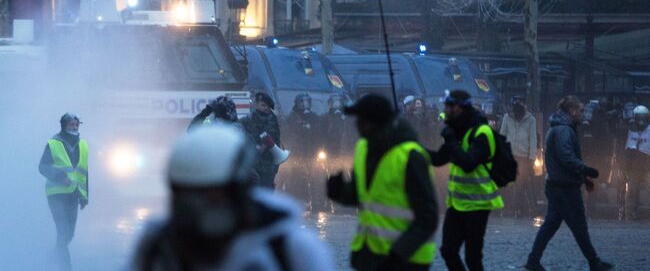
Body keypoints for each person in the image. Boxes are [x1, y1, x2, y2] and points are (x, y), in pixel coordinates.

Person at [131, 126, 333, 271]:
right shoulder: (157, 245)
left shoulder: (290, 249)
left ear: (237, 191)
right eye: (185, 195)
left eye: (211, 195)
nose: (196, 206)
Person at [327, 94, 438, 271]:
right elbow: (362, 196)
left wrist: (398, 255)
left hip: (406, 260)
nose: (357, 125)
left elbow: (428, 218)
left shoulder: (410, 156)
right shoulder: (363, 147)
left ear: (374, 122)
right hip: (371, 255)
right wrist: (339, 192)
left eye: (362, 120)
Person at [524, 96, 614, 271]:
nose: (582, 114)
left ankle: (533, 260)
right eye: (580, 111)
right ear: (572, 111)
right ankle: (594, 262)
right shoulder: (564, 131)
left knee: (551, 225)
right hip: (564, 188)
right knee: (578, 226)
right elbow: (567, 158)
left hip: (559, 185)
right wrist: (585, 170)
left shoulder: (560, 129)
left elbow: (563, 160)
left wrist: (583, 178)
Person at [428, 90, 503, 271]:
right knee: (448, 251)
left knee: (472, 258)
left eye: (448, 106)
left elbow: (468, 163)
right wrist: (412, 147)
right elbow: (439, 159)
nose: (445, 110)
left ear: (460, 108)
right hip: (457, 204)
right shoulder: (457, 131)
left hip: (478, 204)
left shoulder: (482, 132)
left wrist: (451, 141)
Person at [39, 113, 89, 271]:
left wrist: (84, 196)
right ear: (63, 126)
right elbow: (43, 167)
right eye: (71, 125)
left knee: (69, 234)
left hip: (74, 195)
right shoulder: (53, 143)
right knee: (62, 231)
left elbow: (84, 173)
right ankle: (65, 266)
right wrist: (61, 177)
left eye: (76, 125)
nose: (74, 127)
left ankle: (52, 256)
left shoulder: (83, 145)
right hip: (57, 194)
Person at [499, 95, 538, 217]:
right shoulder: (507, 117)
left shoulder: (530, 119)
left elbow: (533, 139)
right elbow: (502, 135)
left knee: (520, 184)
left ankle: (516, 209)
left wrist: (531, 158)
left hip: (523, 157)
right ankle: (509, 209)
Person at [241, 92, 283, 189]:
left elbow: (270, 137)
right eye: (263, 105)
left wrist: (261, 148)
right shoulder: (250, 118)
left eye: (267, 106)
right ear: (256, 105)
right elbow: (240, 126)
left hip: (267, 160)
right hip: (254, 161)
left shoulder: (271, 119)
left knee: (266, 186)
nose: (265, 108)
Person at [621, 105, 650, 220]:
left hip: (647, 166)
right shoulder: (629, 130)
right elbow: (626, 149)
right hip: (633, 167)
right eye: (639, 117)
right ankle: (629, 214)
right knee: (632, 191)